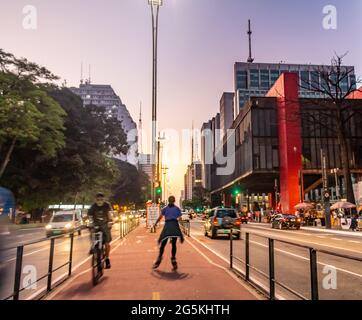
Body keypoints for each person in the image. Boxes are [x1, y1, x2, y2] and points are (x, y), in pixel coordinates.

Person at [153, 196, 184, 271]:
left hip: (168, 226)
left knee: (163, 242)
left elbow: (160, 217)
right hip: (174, 226)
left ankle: (160, 257)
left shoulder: (165, 209)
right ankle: (173, 259)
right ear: (174, 201)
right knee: (173, 244)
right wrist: (181, 230)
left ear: (169, 201)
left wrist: (155, 223)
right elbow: (180, 219)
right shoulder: (177, 209)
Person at [87, 193, 113, 269]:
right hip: (96, 224)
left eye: (101, 199)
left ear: (104, 199)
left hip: (105, 224)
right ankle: (93, 246)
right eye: (98, 199)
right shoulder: (93, 206)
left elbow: (109, 214)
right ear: (95, 200)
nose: (99, 201)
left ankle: (107, 259)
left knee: (107, 243)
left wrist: (110, 221)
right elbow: (90, 216)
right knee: (92, 232)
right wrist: (90, 223)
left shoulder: (107, 205)